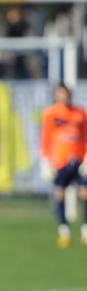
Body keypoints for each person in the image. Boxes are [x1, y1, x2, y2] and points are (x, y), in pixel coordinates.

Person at [39, 83, 87, 247]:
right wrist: (45, 159)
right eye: (60, 94)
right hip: (60, 161)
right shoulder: (51, 113)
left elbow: (85, 136)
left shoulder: (79, 113)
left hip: (79, 161)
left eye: (65, 94)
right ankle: (64, 230)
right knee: (59, 194)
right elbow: (46, 137)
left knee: (84, 193)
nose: (63, 97)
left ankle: (85, 230)